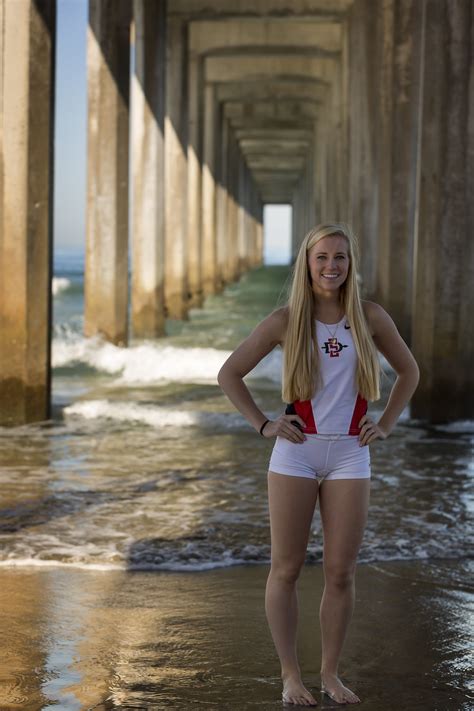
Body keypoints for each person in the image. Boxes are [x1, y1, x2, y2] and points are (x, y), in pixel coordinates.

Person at [217, 222, 420, 706]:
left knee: (341, 573)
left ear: (351, 265)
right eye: (322, 257)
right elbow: (229, 373)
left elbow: (409, 372)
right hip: (296, 454)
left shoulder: (369, 316)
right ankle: (290, 676)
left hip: (351, 452)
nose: (332, 266)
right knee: (285, 569)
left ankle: (330, 674)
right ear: (307, 262)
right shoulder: (285, 320)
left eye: (340, 258)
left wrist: (386, 423)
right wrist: (264, 425)